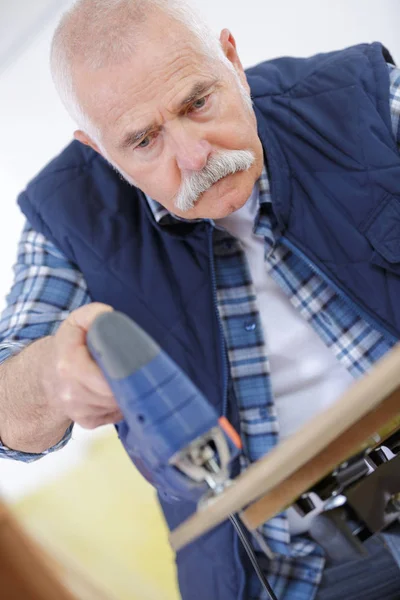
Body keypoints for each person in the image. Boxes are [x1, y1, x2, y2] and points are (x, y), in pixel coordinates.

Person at [0, 0, 399, 598]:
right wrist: (53, 377)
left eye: (196, 103)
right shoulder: (67, 218)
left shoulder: (359, 97)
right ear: (99, 150)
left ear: (232, 60)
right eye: (142, 141)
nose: (194, 158)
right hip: (289, 573)